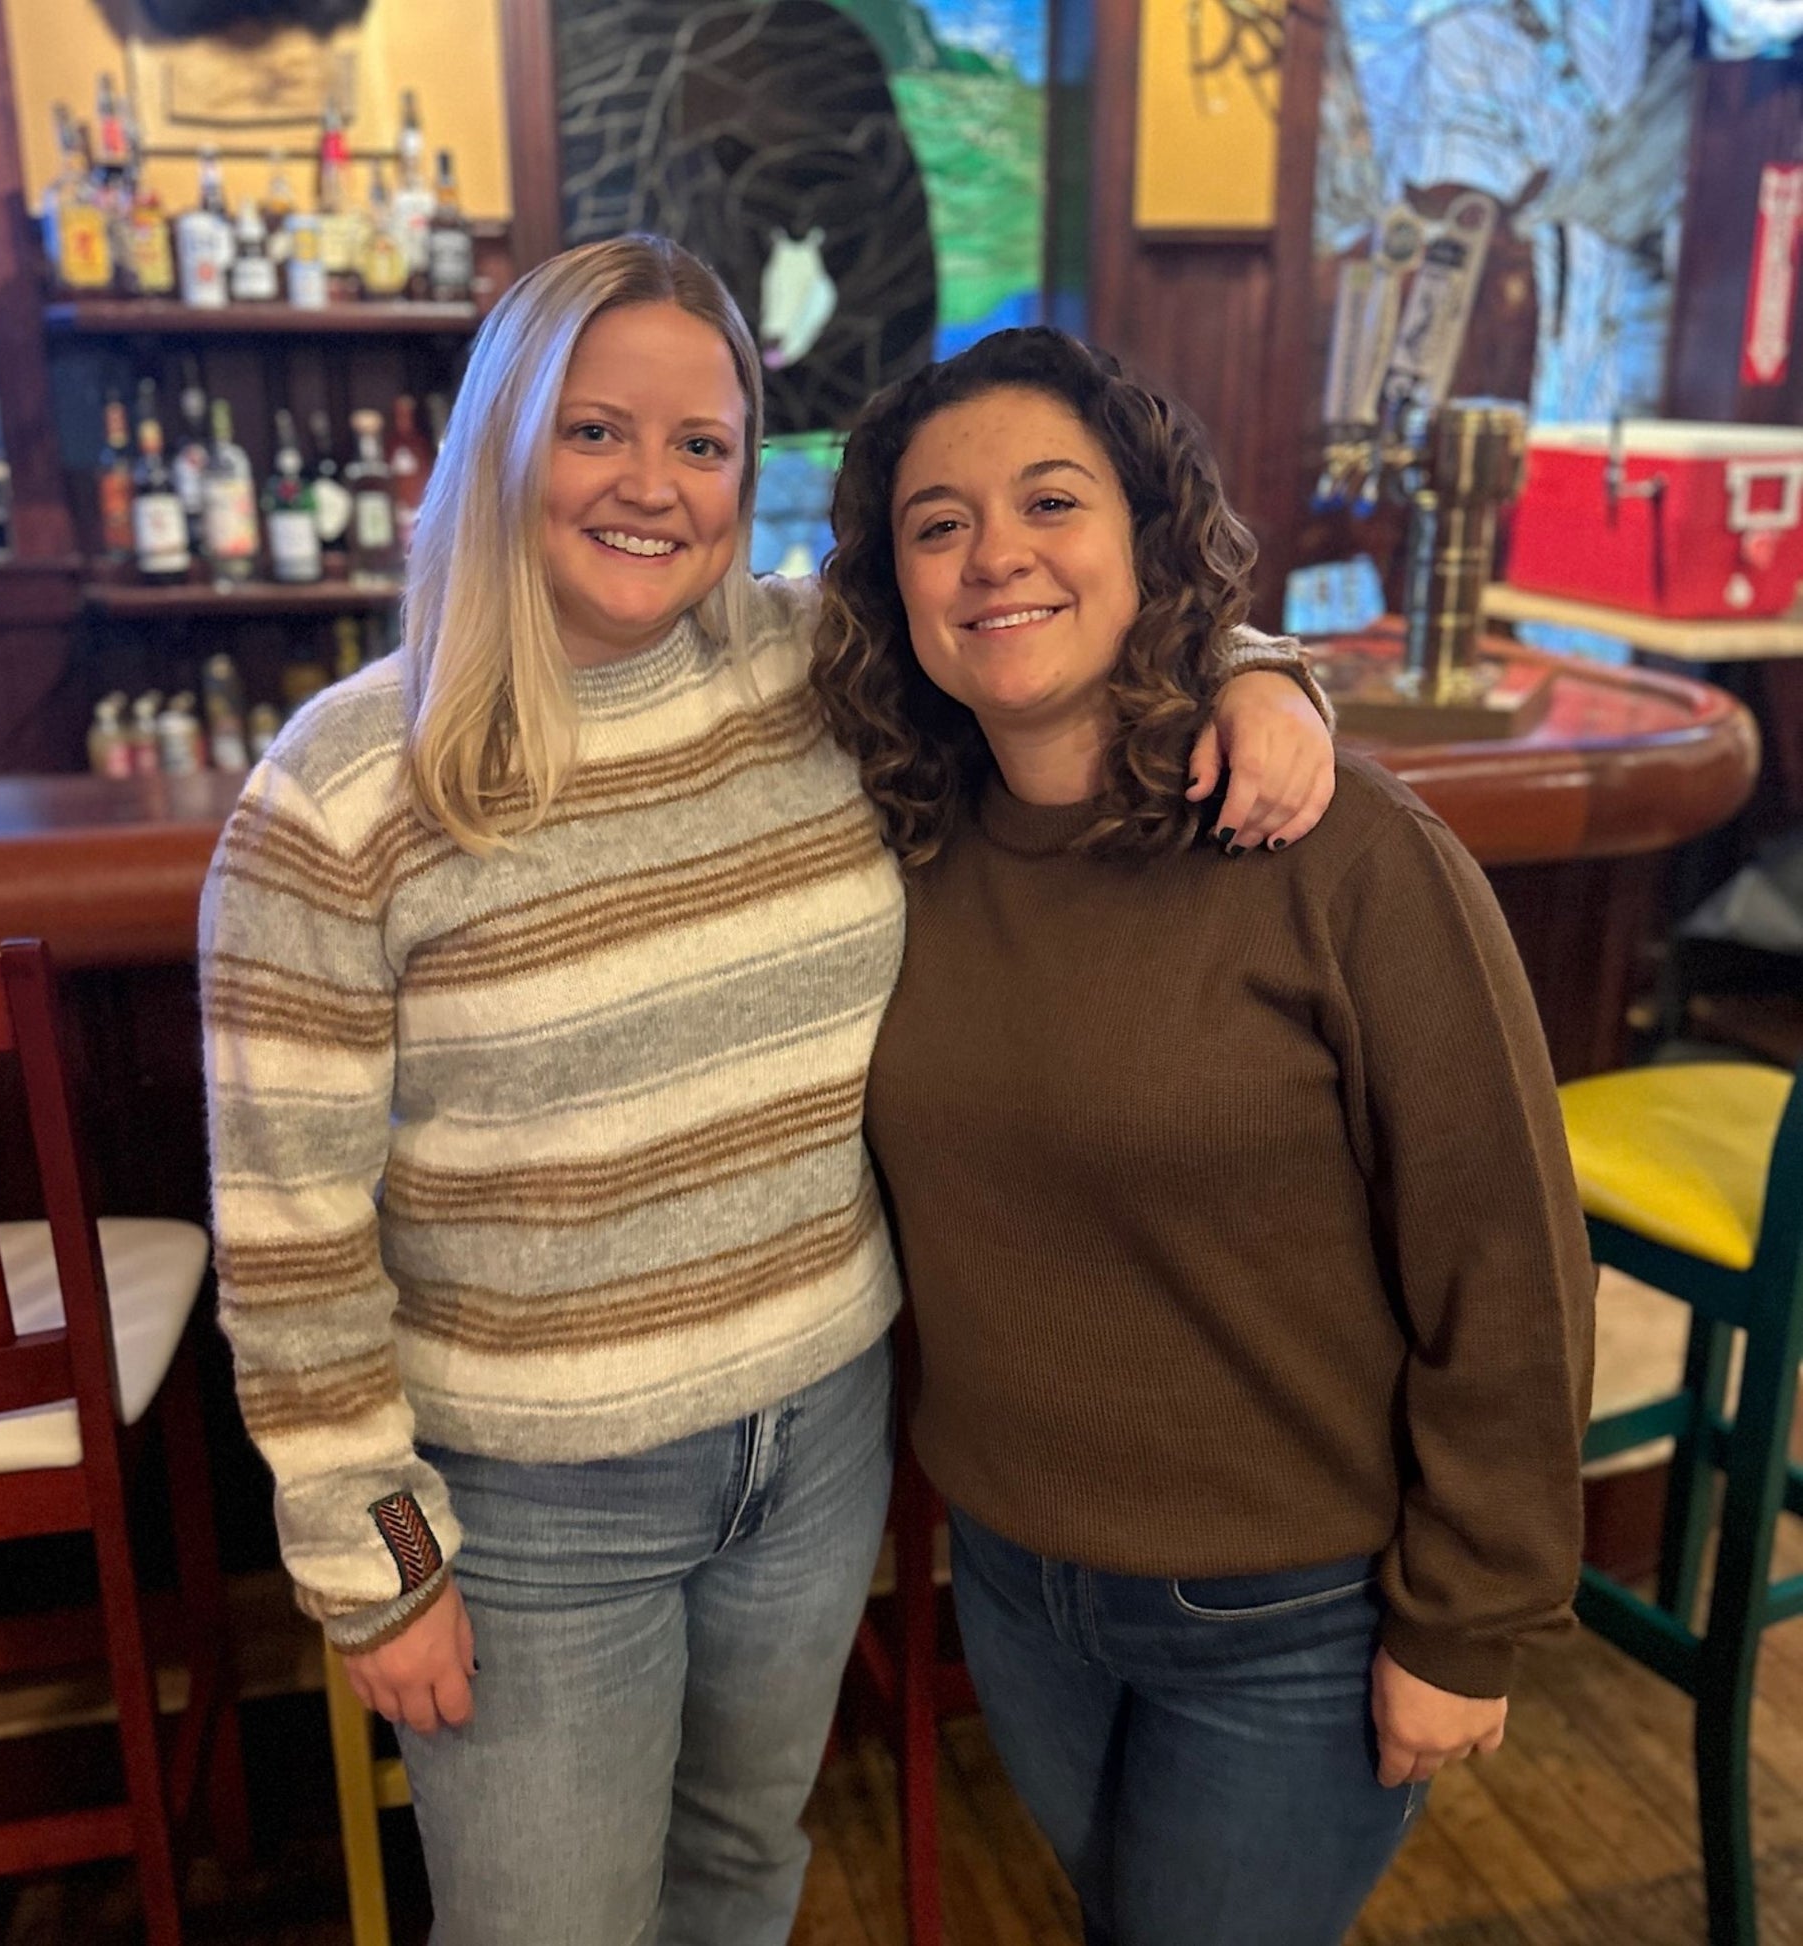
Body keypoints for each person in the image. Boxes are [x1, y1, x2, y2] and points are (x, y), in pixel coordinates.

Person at [199, 238, 1336, 1946]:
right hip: (531, 1491)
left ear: (749, 468)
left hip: (817, 1431)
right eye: (596, 431)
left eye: (704, 443)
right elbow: (290, 1241)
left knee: (740, 1870)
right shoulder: (341, 793)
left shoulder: (821, 669)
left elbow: (1049, 621)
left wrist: (1255, 667)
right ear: (503, 436)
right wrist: (379, 1562)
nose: (652, 485)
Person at [812, 325, 1597, 1946]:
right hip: (1018, 1583)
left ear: (1147, 538)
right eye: (936, 523)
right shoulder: (900, 838)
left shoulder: (1335, 848)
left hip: (1293, 1608)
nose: (995, 554)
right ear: (891, 585)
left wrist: (1468, 1617)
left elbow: (1502, 1255)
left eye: (1052, 500)